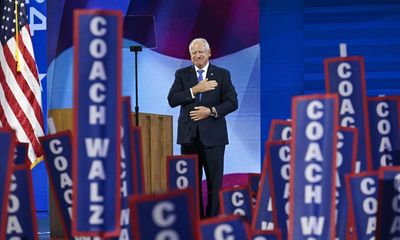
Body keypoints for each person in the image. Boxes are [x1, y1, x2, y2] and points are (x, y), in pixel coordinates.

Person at [167, 38, 238, 218]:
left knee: (215, 184)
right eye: (193, 53)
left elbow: (232, 102)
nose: (197, 55)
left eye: (201, 52)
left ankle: (212, 225)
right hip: (188, 137)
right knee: (192, 184)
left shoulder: (222, 74)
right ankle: (195, 223)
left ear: (209, 53)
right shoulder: (182, 75)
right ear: (190, 56)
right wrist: (195, 90)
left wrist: (211, 111)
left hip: (214, 137)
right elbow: (172, 100)